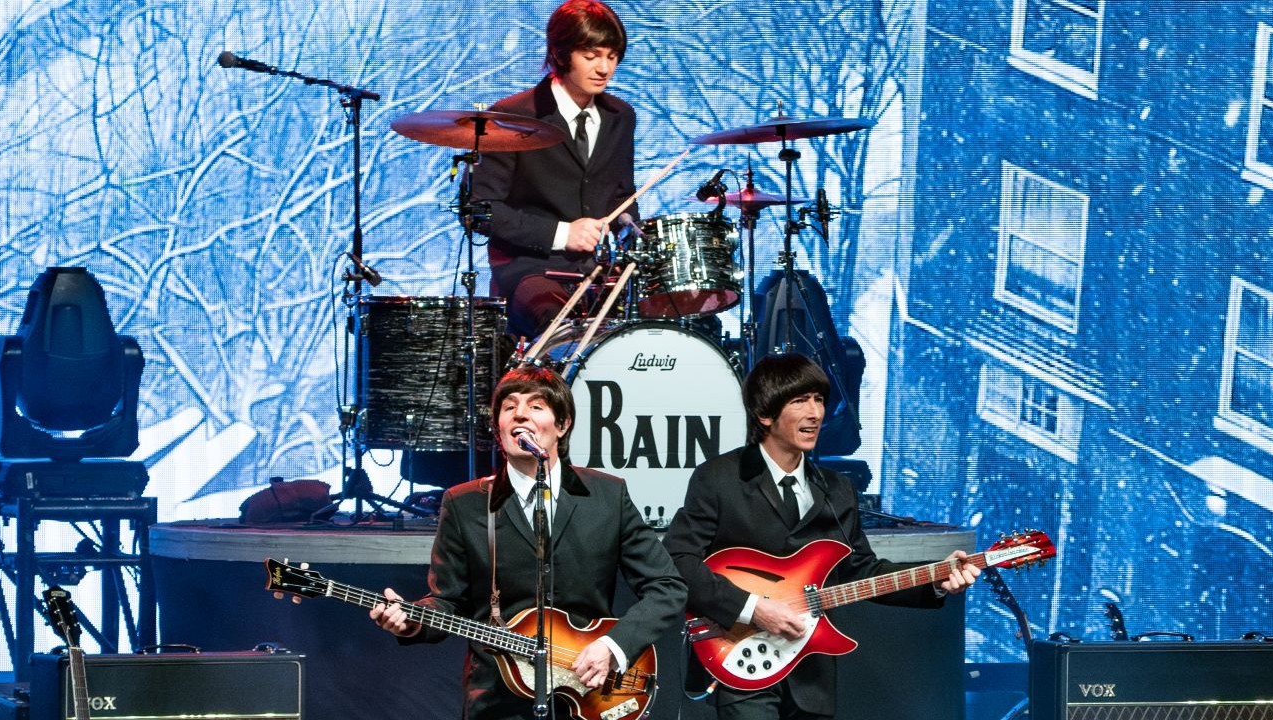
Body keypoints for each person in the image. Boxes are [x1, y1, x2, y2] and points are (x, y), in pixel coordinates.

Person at [663, 353, 982, 720]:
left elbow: (860, 570)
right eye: (800, 401)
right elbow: (678, 560)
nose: (815, 413)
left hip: (811, 677)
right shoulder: (719, 478)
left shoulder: (837, 490)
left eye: (818, 399)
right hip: (741, 659)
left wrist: (935, 578)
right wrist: (754, 609)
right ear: (764, 414)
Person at [370, 365, 687, 719]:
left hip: (590, 691)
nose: (520, 413)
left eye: (536, 406)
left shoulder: (606, 496)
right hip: (498, 701)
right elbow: (447, 600)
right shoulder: (466, 503)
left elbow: (667, 586)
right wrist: (414, 620)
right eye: (509, 407)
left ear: (562, 425)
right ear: (499, 427)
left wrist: (613, 646)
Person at [471, 0, 639, 340]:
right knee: (560, 326)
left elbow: (621, 195)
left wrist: (629, 228)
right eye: (591, 56)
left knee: (652, 323)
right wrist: (564, 234)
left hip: (598, 271)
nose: (604, 68)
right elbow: (481, 212)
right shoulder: (512, 117)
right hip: (530, 270)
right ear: (562, 55)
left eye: (612, 56)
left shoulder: (621, 117)